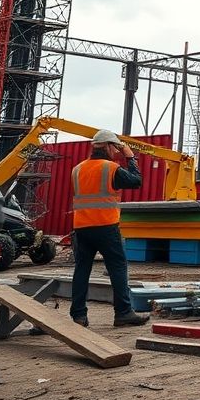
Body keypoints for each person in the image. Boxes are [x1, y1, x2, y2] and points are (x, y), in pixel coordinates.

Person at [69, 128, 150, 328]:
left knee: (81, 270)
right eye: (115, 148)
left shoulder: (77, 169)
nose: (116, 151)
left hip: (81, 227)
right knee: (118, 267)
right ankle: (123, 313)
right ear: (107, 146)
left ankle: (79, 315)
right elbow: (136, 181)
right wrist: (131, 157)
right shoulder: (110, 168)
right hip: (105, 227)